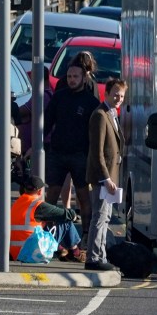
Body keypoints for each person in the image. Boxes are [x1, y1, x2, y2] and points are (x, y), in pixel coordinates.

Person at [43, 64, 100, 243]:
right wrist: (37, 146)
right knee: (51, 194)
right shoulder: (59, 97)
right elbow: (46, 123)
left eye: (75, 76)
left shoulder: (91, 102)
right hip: (58, 153)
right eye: (69, 77)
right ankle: (46, 232)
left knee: (83, 196)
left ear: (84, 78)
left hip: (80, 155)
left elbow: (96, 131)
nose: (72, 80)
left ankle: (86, 235)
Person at [84, 78, 127, 271]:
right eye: (115, 94)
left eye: (122, 95)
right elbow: (97, 151)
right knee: (99, 216)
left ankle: (100, 255)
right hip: (103, 178)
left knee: (106, 217)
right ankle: (93, 258)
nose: (118, 98)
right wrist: (105, 178)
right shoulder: (100, 115)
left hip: (111, 175)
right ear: (106, 93)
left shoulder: (112, 114)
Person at [10, 175, 83, 262]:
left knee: (44, 224)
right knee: (65, 222)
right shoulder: (38, 205)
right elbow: (67, 214)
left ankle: (61, 250)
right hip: (33, 253)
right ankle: (75, 253)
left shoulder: (16, 203)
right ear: (40, 191)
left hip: (16, 253)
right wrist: (74, 216)